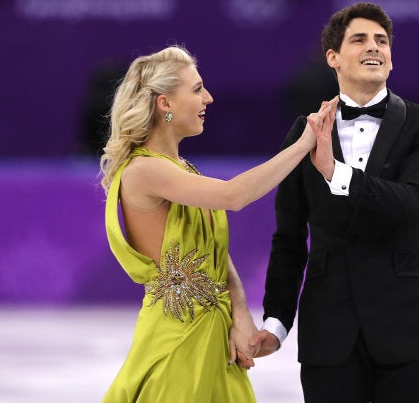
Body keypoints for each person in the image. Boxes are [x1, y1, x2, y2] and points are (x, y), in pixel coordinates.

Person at [99, 45, 338, 402]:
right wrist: (304, 144)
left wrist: (239, 313)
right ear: (165, 103)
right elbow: (233, 196)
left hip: (215, 336)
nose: (208, 98)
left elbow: (215, 256)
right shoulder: (144, 170)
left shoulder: (182, 168)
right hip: (177, 342)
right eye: (196, 90)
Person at [250, 3, 419, 403]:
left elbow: (415, 203)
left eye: (382, 41)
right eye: (360, 39)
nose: (374, 47)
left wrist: (336, 173)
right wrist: (276, 323)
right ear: (333, 57)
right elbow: (289, 237)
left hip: (410, 325)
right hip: (330, 329)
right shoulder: (305, 130)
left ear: (391, 58)